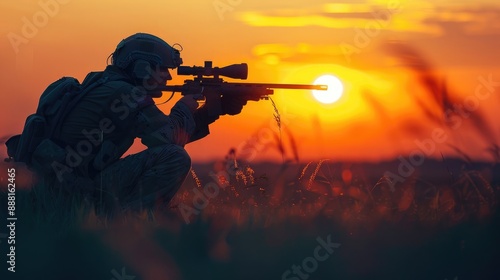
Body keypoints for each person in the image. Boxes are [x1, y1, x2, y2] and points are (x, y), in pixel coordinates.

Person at [51, 33, 249, 216]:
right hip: (74, 187)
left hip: (70, 184)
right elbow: (168, 139)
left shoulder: (112, 86)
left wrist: (214, 110)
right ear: (142, 67)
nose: (169, 76)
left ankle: (120, 218)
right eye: (163, 69)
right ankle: (130, 220)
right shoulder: (125, 93)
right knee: (175, 156)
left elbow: (166, 134)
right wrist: (183, 107)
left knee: (171, 152)